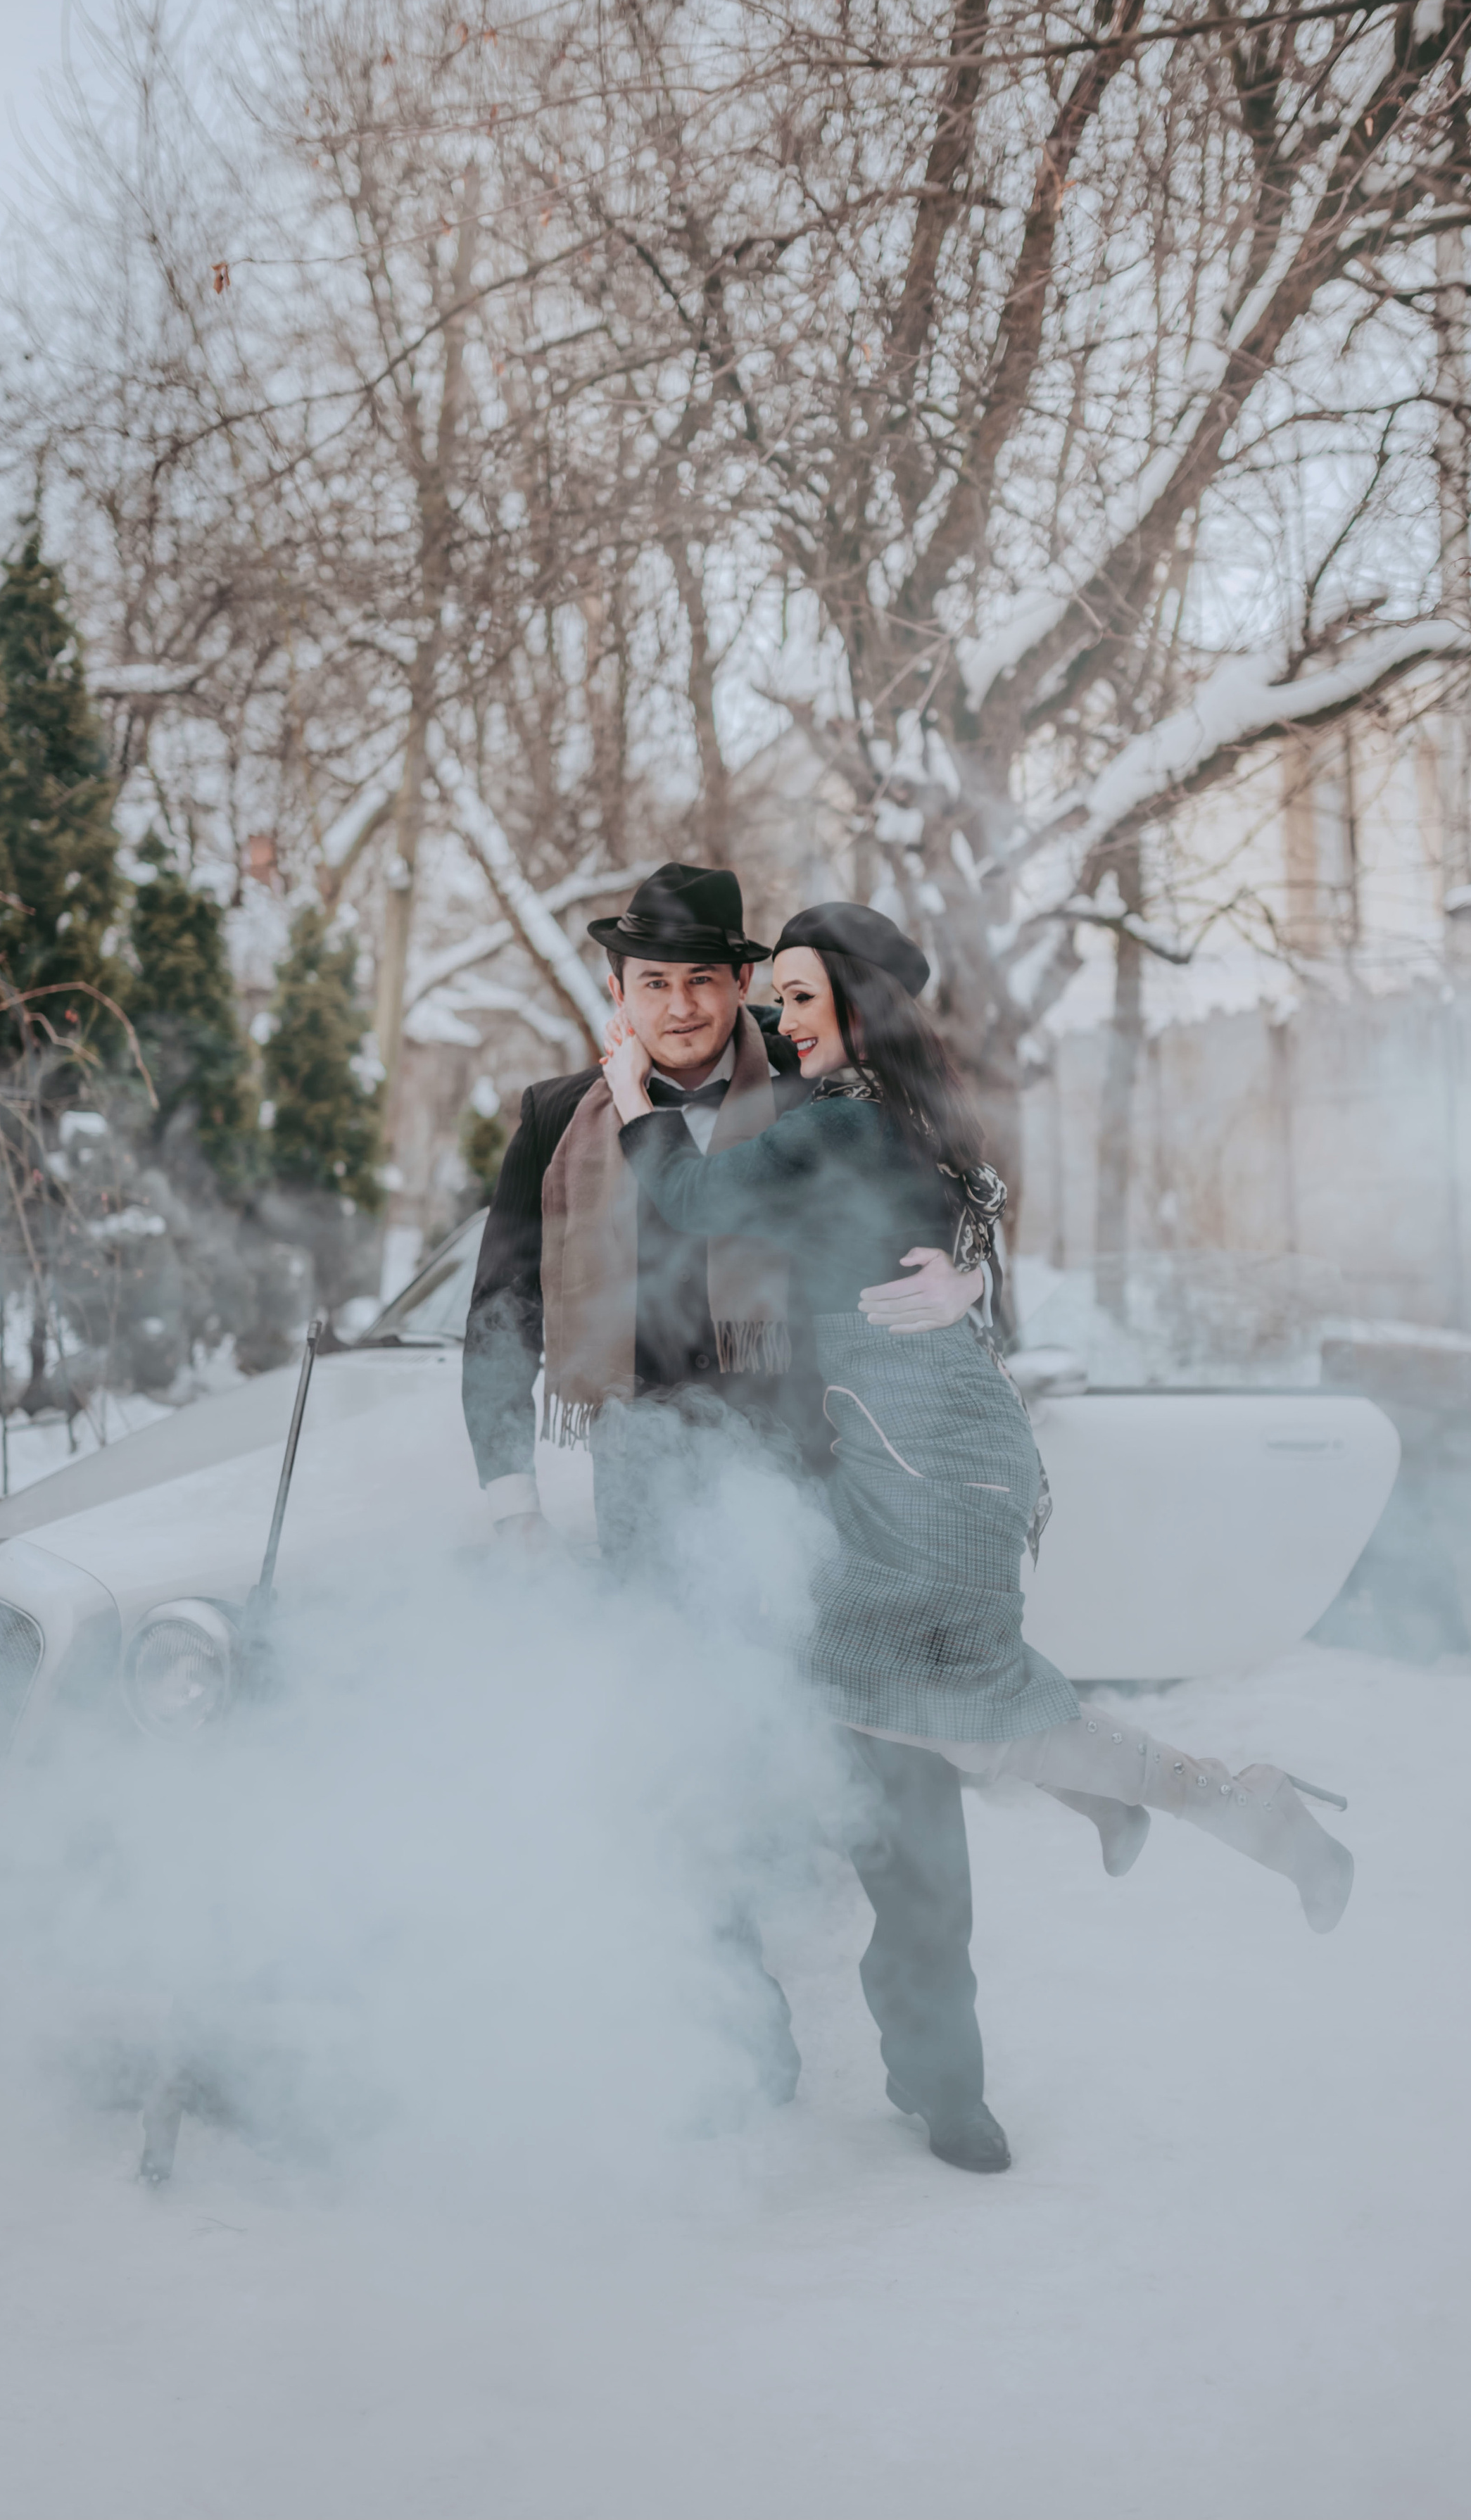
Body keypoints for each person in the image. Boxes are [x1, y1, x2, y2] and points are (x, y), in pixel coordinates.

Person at [601, 900, 1357, 2170]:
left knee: (902, 1707)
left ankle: (1217, 1801)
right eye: (774, 999)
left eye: (798, 997)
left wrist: (630, 1091)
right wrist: (965, 1271)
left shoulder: (837, 1118)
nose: (780, 1020)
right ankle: (1123, 1800)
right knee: (912, 1706)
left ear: (856, 1001)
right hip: (937, 1443)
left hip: (911, 1460)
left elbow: (686, 1198)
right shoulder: (909, 1119)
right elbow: (970, 1215)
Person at [461, 863, 996, 2150]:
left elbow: (943, 1178)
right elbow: (498, 1322)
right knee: (691, 1784)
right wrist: (513, 1506)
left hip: (834, 1484)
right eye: (658, 981)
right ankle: (735, 2042)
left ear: (743, 982)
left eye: (708, 977)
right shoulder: (556, 1120)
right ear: (619, 991)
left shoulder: (822, 1088)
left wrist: (969, 1280)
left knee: (906, 1790)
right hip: (652, 1492)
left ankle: (943, 2077)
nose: (686, 1004)